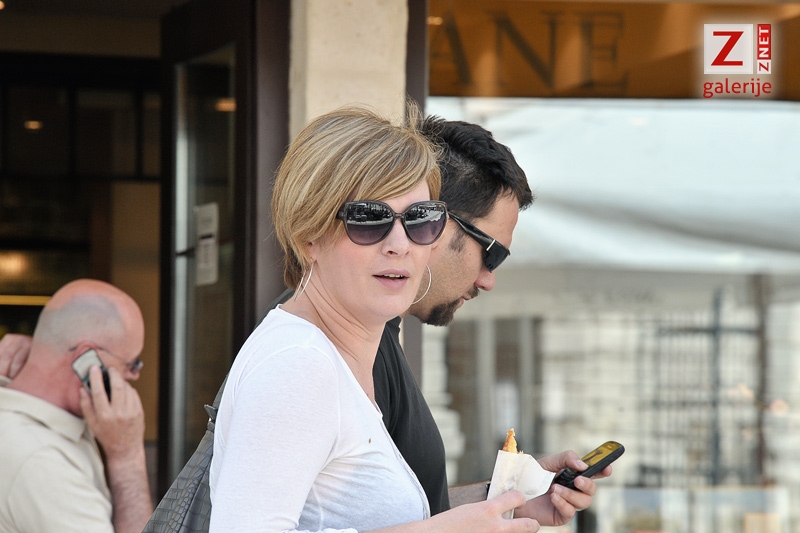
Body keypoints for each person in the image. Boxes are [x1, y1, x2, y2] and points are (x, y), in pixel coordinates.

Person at [209, 105, 540, 532]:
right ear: (309, 235)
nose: (399, 244)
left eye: (421, 220)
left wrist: (503, 503)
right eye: (368, 219)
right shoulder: (299, 363)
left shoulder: (340, 357)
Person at [270, 116, 609, 523]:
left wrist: (506, 497)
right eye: (492, 254)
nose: (488, 280)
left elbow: (378, 512)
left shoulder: (364, 336)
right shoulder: (307, 351)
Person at [0, 279, 153, 533]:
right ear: (87, 359)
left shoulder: (24, 420)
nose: (134, 376)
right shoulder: (42, 461)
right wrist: (128, 458)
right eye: (132, 363)